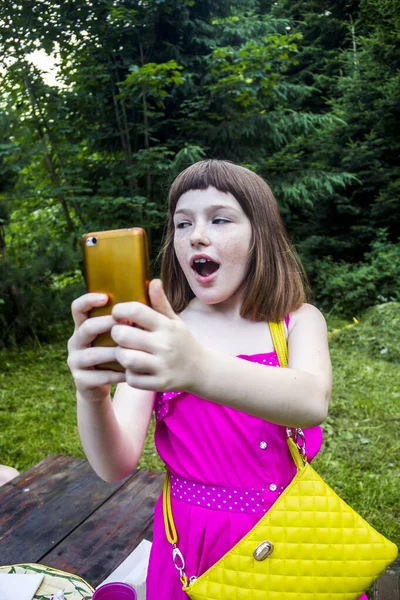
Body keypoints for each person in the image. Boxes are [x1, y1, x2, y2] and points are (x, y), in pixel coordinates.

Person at [67, 159, 367, 600]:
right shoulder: (159, 335)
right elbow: (114, 466)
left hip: (289, 533)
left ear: (258, 237)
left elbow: (310, 401)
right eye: (183, 224)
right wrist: (91, 396)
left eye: (220, 219)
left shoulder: (297, 322)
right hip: (192, 539)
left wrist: (196, 368)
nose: (196, 235)